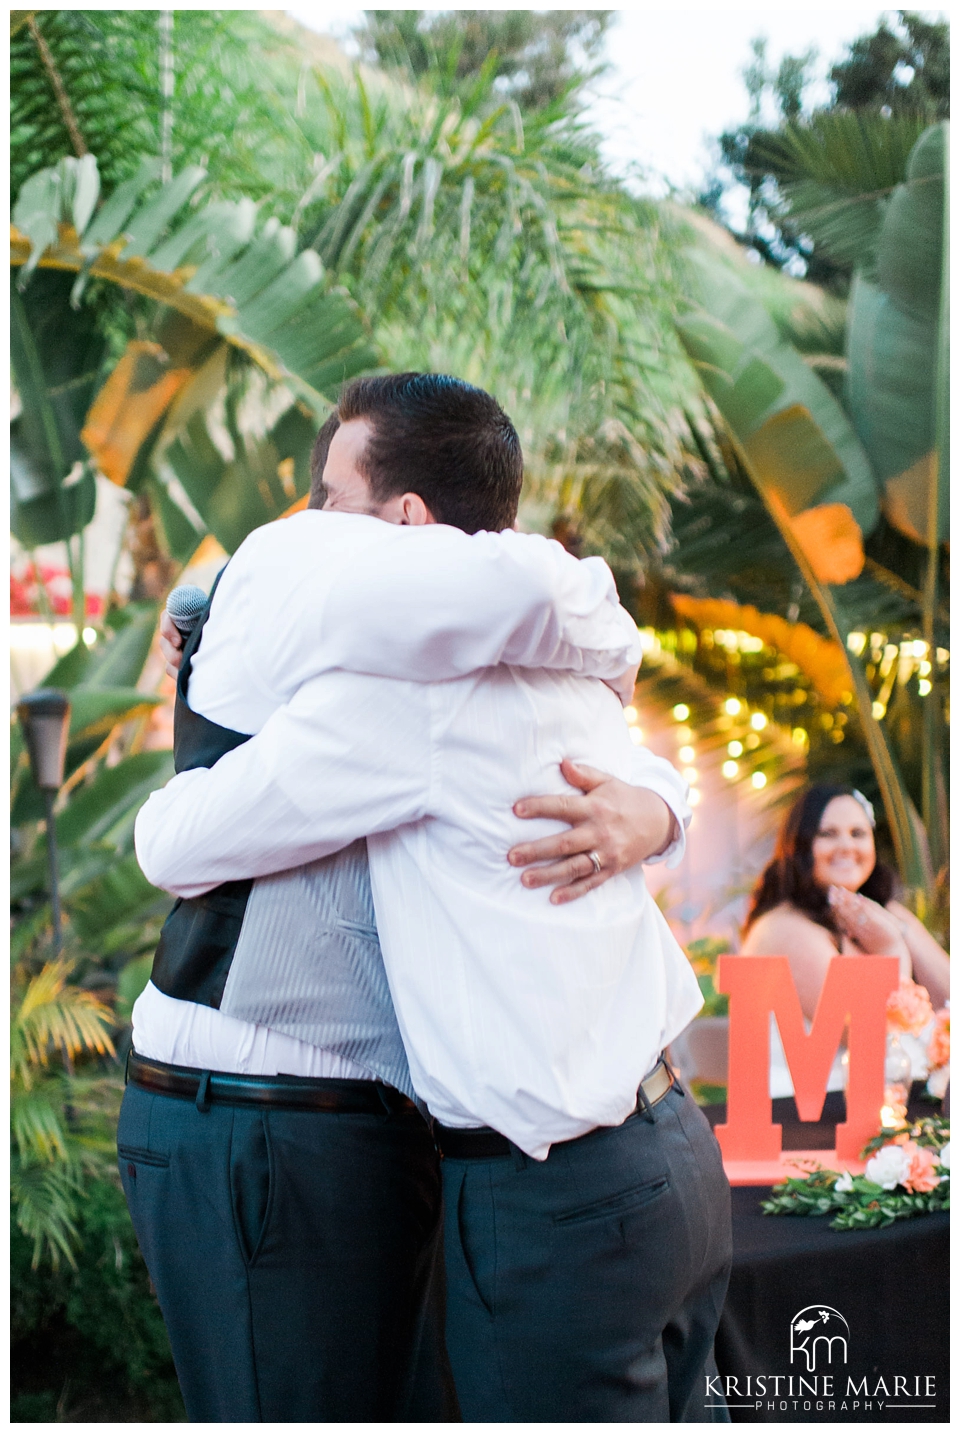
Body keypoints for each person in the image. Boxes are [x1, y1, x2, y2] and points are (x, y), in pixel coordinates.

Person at [136, 373, 732, 1423]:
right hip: (672, 1148)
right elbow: (603, 669)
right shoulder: (563, 667)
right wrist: (662, 809)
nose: (311, 522)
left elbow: (176, 844)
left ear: (404, 522)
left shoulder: (400, 699)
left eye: (331, 495)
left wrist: (203, 712)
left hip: (554, 1198)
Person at [741, 784, 950, 1025]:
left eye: (857, 833)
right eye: (827, 834)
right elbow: (870, 1041)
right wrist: (890, 949)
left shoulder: (883, 912)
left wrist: (902, 928)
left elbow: (951, 1004)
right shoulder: (783, 928)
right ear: (798, 846)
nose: (847, 846)